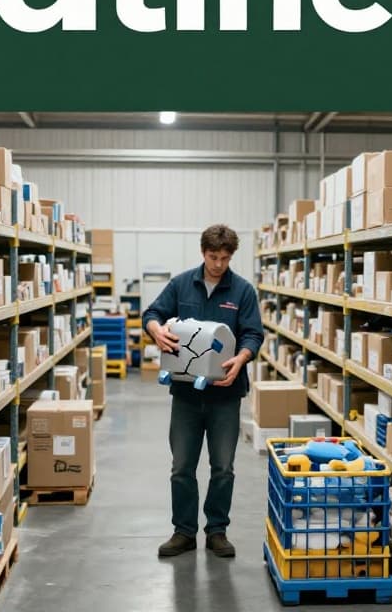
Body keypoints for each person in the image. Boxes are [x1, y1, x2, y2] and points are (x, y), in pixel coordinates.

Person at [143, 224, 264, 559]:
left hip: (225, 394)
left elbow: (253, 334)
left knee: (223, 467)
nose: (218, 264)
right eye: (213, 257)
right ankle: (183, 532)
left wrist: (242, 357)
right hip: (186, 395)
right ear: (203, 252)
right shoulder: (182, 284)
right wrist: (156, 331)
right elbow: (152, 313)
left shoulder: (242, 291)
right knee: (182, 466)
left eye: (225, 258)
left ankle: (217, 531)